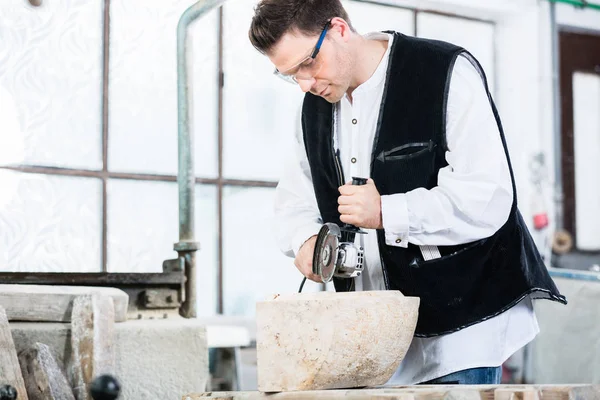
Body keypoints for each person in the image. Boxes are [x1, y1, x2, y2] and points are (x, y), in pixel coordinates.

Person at [248, 0, 566, 385]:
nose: (304, 84)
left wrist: (387, 212)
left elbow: (488, 196)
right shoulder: (314, 106)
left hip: (459, 332)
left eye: (306, 64)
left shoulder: (443, 71)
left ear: (339, 30)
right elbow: (293, 201)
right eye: (289, 75)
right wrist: (306, 240)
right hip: (370, 344)